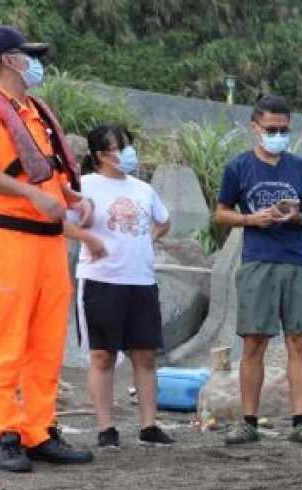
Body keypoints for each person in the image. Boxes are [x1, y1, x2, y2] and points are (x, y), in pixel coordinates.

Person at [0, 25, 95, 473]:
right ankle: (4, 435)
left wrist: (73, 197)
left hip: (48, 244)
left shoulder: (35, 110)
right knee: (5, 341)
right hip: (7, 238)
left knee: (47, 344)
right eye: (28, 54)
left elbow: (45, 171)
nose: (36, 62)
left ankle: (40, 431)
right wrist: (33, 196)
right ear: (9, 60)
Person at [215, 94, 302, 447]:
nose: (278, 135)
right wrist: (251, 218)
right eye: (271, 129)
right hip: (257, 260)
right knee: (254, 342)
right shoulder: (238, 167)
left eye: (284, 129)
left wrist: (297, 216)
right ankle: (248, 420)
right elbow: (220, 213)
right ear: (255, 128)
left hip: (296, 260)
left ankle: (300, 421)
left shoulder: (301, 168)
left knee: (298, 341)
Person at [66, 124, 174, 449]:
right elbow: (60, 222)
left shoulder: (142, 188)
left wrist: (149, 239)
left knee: (145, 355)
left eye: (129, 146)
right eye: (120, 147)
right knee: (103, 355)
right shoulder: (84, 186)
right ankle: (106, 427)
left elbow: (164, 219)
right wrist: (89, 240)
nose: (128, 153)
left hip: (141, 280)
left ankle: (149, 425)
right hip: (101, 280)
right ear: (100, 155)